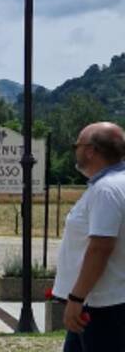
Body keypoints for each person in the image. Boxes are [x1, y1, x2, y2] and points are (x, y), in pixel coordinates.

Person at [54, 121, 125, 352]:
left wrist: (76, 298)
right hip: (103, 300)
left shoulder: (106, 190)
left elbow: (100, 247)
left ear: (91, 150)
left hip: (100, 304)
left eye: (77, 144)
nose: (75, 150)